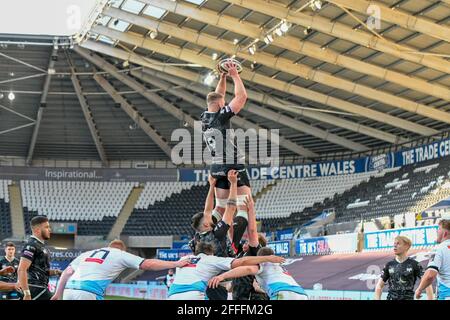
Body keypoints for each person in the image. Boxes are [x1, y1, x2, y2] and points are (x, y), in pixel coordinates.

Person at [201, 60, 251, 253]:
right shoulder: (221, 117)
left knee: (220, 209)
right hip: (232, 164)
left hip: (216, 167)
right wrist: (234, 74)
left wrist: (222, 77)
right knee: (242, 208)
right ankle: (234, 246)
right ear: (221, 106)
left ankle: (206, 238)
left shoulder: (205, 116)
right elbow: (242, 96)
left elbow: (218, 96)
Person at [51, 240, 188, 300]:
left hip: (69, 290)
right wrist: (176, 263)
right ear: (123, 249)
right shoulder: (120, 254)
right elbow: (148, 264)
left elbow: (67, 272)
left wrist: (58, 294)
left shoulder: (87, 253)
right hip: (89, 291)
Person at [168, 241, 284, 300]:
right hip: (193, 294)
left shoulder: (183, 259)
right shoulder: (212, 259)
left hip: (172, 295)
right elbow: (242, 262)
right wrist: (268, 258)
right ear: (211, 252)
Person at [189, 171, 239, 300]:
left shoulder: (196, 238)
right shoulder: (217, 233)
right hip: (221, 282)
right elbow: (231, 208)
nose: (209, 214)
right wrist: (233, 184)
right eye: (208, 217)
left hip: (205, 281)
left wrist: (211, 186)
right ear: (206, 224)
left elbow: (207, 209)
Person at [208, 246, 307, 300]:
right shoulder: (280, 267)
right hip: (302, 294)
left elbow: (248, 270)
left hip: (283, 293)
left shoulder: (263, 264)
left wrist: (222, 276)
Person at [231, 195, 268, 300]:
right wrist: (231, 211)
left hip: (250, 297)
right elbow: (231, 232)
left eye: (247, 241)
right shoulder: (241, 253)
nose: (244, 243)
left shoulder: (255, 252)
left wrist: (250, 210)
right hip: (237, 296)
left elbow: (252, 231)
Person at [374, 235, 433, 300]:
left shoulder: (414, 264)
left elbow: (427, 282)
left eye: (398, 243)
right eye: (394, 244)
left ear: (406, 246)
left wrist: (430, 298)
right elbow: (379, 285)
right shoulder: (389, 265)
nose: (395, 246)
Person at [17, 216, 62, 300]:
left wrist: (57, 272)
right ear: (37, 230)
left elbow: (41, 271)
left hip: (40, 288)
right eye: (46, 227)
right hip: (35, 288)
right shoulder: (31, 245)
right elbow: (21, 269)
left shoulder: (40, 245)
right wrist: (27, 293)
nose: (50, 230)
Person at [415, 219, 450, 300]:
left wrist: (419, 289)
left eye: (439, 229)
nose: (437, 232)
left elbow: (430, 275)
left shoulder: (438, 248)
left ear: (445, 233)